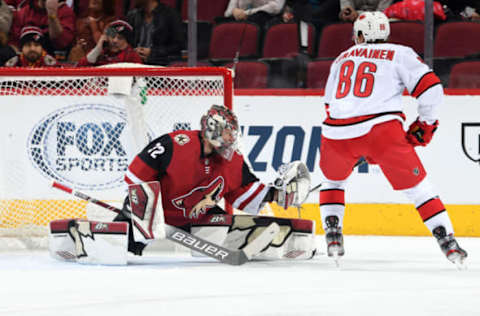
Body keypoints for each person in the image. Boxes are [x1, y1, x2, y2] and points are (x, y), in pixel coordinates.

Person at [319, 11, 467, 266]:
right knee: (419, 190)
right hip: (381, 131)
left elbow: (329, 104)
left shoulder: (341, 58)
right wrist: (426, 122)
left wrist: (353, 144)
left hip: (335, 133)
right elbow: (432, 89)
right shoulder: (399, 52)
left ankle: (333, 235)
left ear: (362, 34)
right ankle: (447, 241)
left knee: (333, 181)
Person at [116, 104, 312, 257]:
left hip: (196, 217)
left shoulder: (232, 160)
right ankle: (122, 241)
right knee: (121, 250)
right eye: (227, 132)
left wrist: (276, 194)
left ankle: (276, 248)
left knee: (236, 229)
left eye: (233, 133)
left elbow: (244, 193)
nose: (231, 137)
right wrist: (141, 212)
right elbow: (136, 176)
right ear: (213, 130)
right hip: (157, 213)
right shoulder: (174, 144)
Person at [126, 0, 183, 65]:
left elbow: (178, 45)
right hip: (135, 64)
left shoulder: (170, 14)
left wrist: (153, 52)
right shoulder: (132, 15)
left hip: (161, 65)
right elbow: (126, 41)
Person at [10, 0, 75, 54]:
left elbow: (62, 43)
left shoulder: (65, 12)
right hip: (25, 57)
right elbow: (14, 41)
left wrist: (52, 14)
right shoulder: (24, 12)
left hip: (53, 57)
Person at [76, 20, 142, 66]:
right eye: (112, 36)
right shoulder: (100, 52)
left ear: (127, 41)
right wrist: (97, 49)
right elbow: (79, 69)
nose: (115, 40)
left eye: (120, 38)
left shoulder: (132, 56)